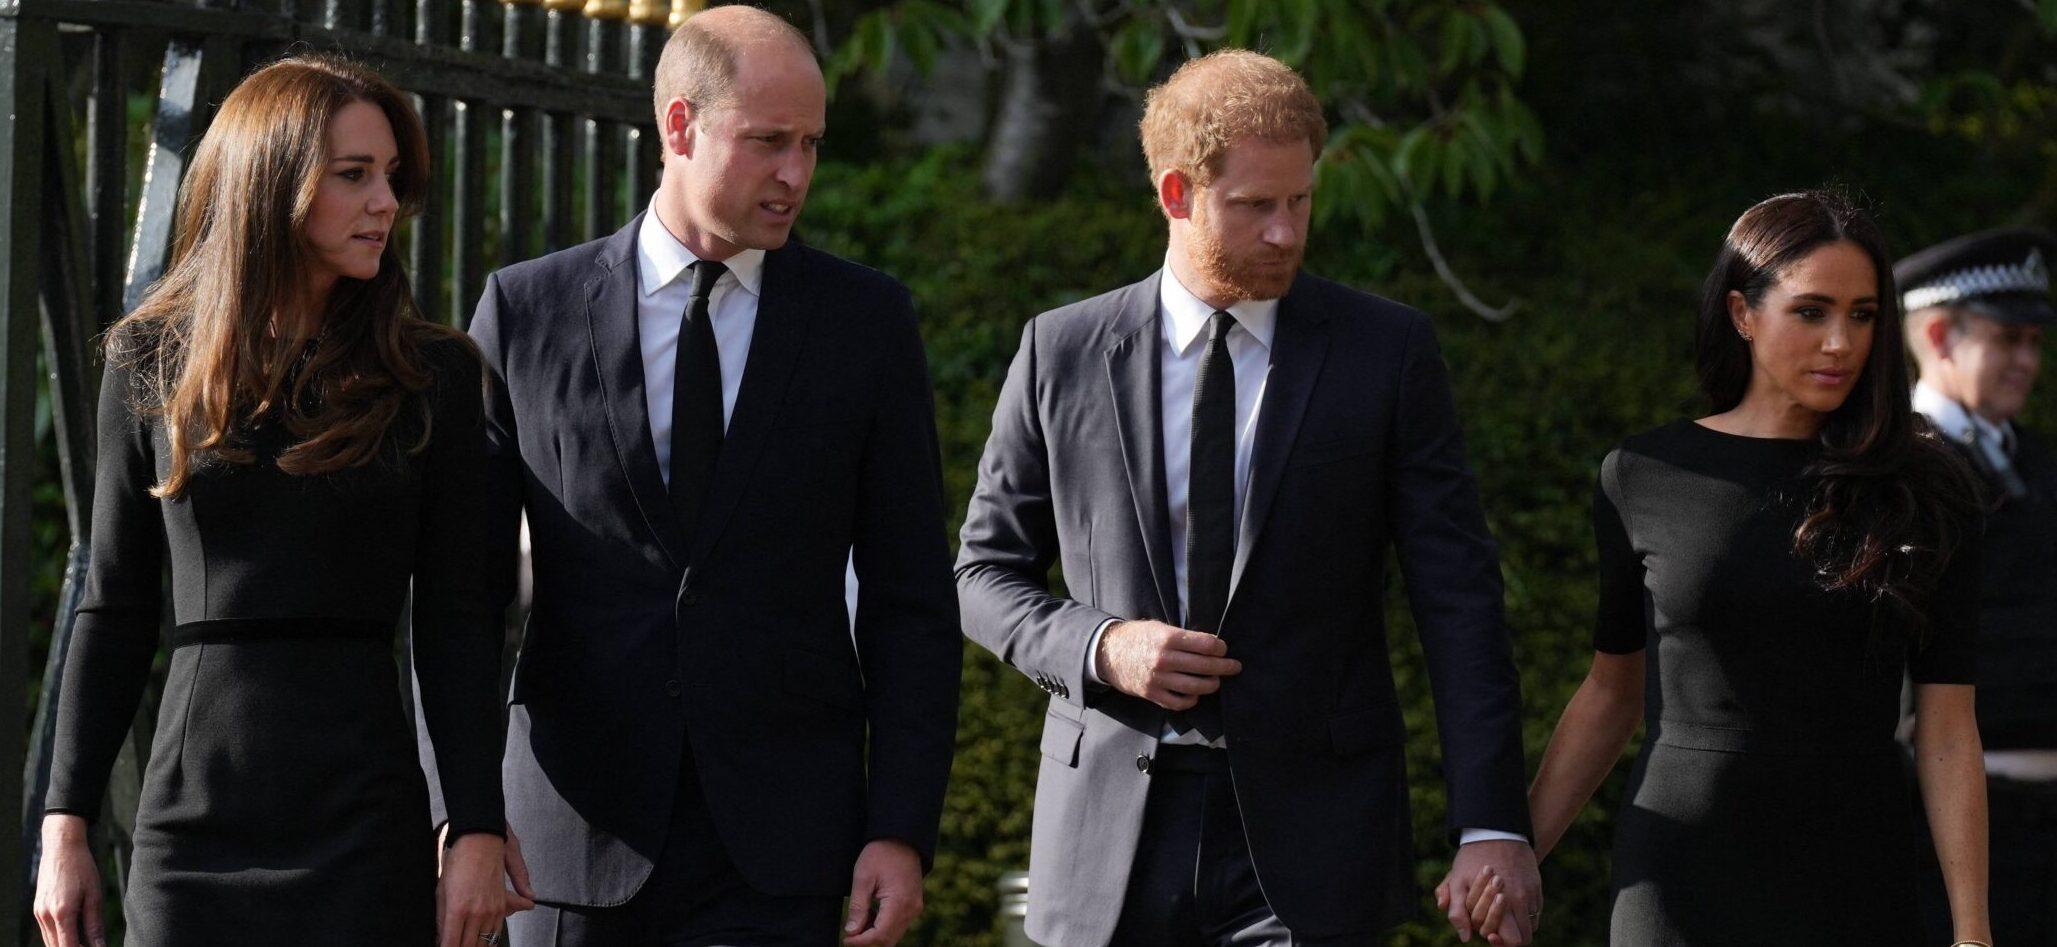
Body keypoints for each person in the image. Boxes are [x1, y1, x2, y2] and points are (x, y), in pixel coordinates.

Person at [956, 49, 1540, 947]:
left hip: (1317, 840)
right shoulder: (1061, 351)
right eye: (1255, 206)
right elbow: (981, 574)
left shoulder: (1384, 353)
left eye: (1299, 202)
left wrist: (1490, 823)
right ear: (1176, 192)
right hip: (1105, 834)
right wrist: (1103, 645)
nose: (1284, 234)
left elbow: (1458, 599)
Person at [414, 6, 962, 945]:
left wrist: (899, 827)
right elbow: (461, 596)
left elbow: (911, 597)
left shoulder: (864, 324)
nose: (796, 174)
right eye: (768, 142)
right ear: (679, 125)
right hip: (568, 844)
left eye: (811, 145)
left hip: (781, 848)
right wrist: (463, 815)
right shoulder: (527, 310)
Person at [30, 55, 520, 947]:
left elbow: (454, 620)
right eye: (353, 174)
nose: (386, 201)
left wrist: (477, 826)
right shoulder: (148, 361)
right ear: (269, 177)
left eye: (390, 177)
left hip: (365, 821)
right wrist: (64, 824)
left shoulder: (431, 375)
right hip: (190, 828)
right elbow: (113, 603)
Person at [1515, 191, 1992, 946]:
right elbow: (1610, 692)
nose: (1840, 342)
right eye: (1811, 311)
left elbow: (1945, 728)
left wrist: (1971, 928)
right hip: (1679, 871)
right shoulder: (1641, 472)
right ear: (1741, 312)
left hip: (1854, 871)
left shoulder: (1926, 487)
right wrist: (1511, 852)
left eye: (1862, 315)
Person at [1900, 227, 2057, 947]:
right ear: (1937, 334)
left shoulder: (2039, 462)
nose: (2027, 361)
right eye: (2007, 339)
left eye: (2033, 341)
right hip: (1945, 826)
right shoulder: (1890, 471)